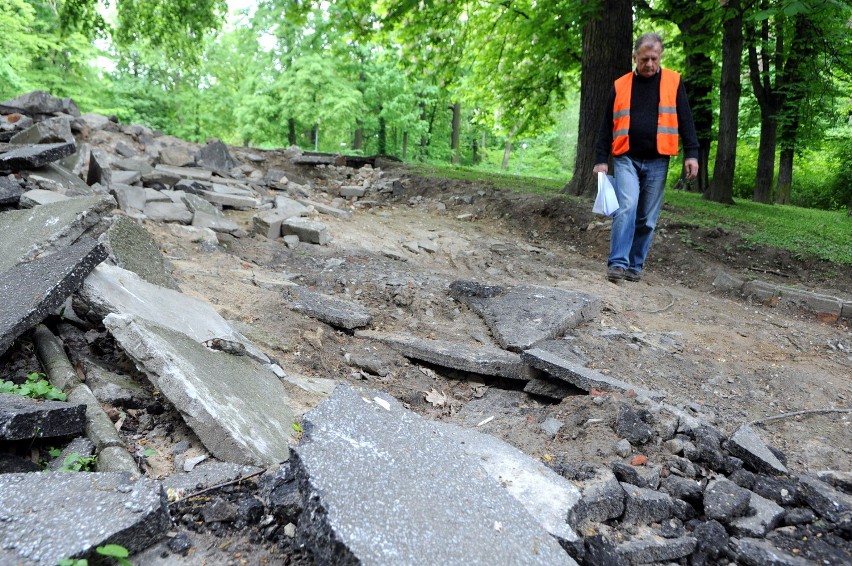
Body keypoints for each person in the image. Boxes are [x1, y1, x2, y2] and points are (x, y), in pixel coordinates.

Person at [593, 32, 699, 283]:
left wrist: (691, 153)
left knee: (647, 219)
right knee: (627, 207)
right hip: (626, 157)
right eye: (644, 59)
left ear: (660, 56)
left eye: (654, 58)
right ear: (634, 58)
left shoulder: (673, 82)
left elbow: (686, 119)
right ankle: (618, 263)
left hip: (658, 160)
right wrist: (601, 159)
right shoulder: (621, 85)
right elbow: (606, 125)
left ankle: (635, 265)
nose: (649, 64)